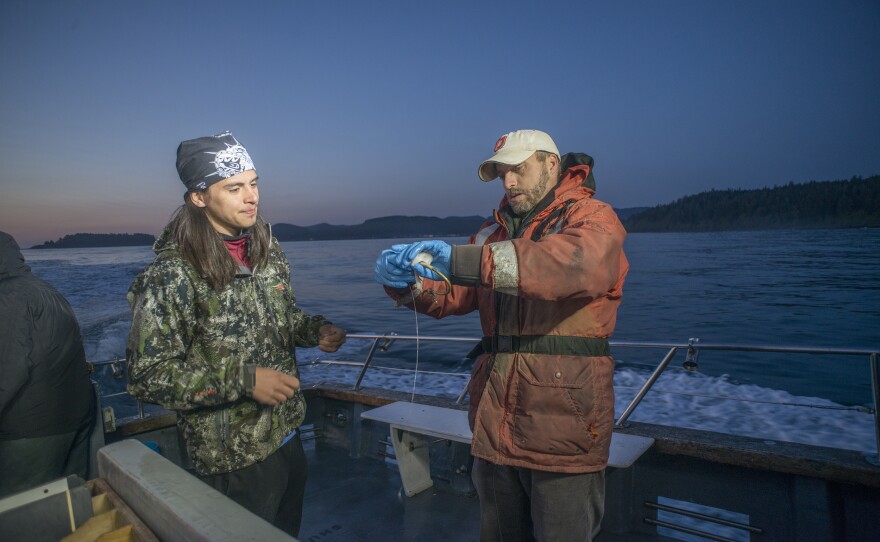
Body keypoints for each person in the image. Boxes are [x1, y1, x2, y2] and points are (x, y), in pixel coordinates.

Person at [374, 129, 628, 541]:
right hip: (495, 427)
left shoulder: (592, 218)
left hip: (563, 431)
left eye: (518, 169)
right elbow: (453, 293)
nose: (508, 183)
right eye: (501, 174)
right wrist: (407, 285)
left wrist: (465, 260)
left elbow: (574, 265)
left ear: (551, 163)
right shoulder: (491, 236)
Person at [126, 131, 346, 537]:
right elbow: (146, 376)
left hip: (286, 436)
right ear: (199, 197)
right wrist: (242, 381)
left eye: (254, 183)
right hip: (231, 460)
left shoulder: (266, 249)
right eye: (234, 187)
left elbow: (283, 315)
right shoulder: (170, 277)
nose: (252, 197)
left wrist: (316, 330)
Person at [0, 231, 96, 498]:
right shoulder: (45, 289)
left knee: (27, 518)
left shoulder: (8, 297)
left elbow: (6, 371)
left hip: (31, 433)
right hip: (74, 419)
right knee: (70, 510)